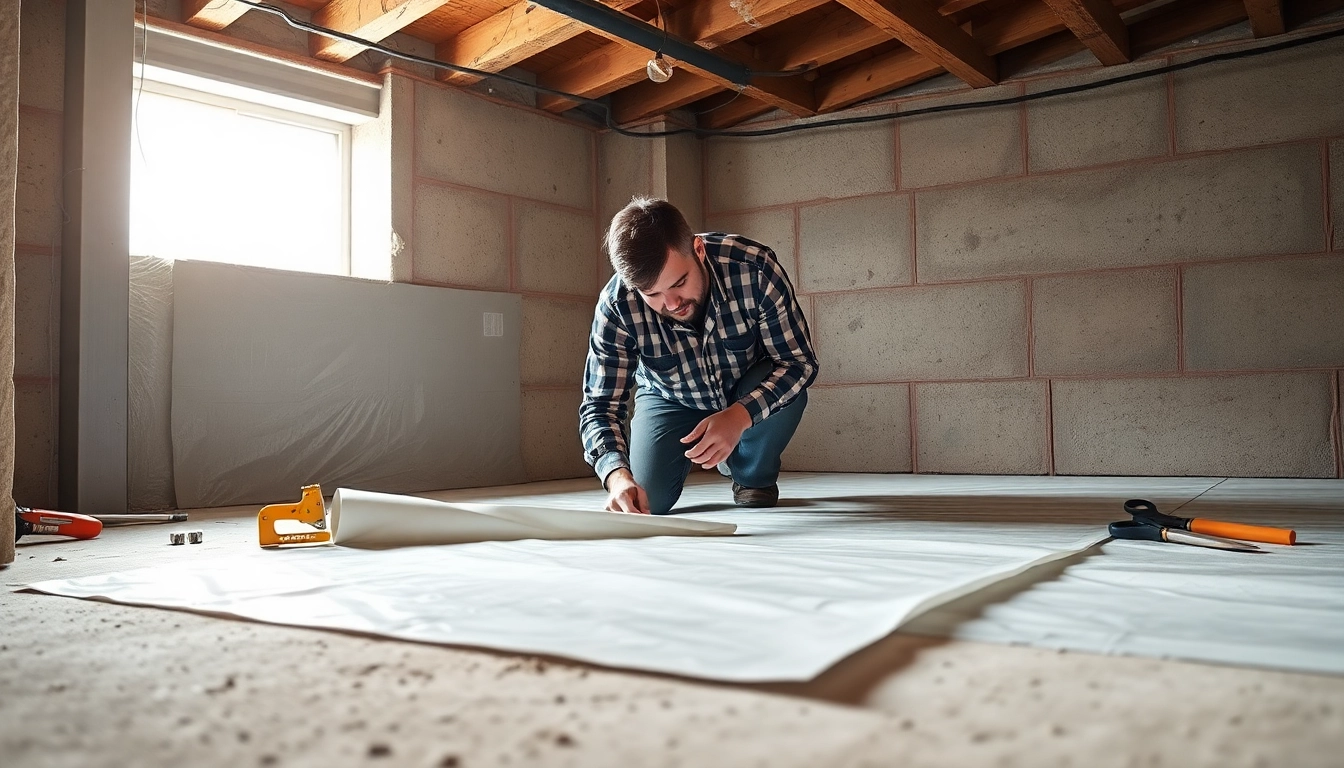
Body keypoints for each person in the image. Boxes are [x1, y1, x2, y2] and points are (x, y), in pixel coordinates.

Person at [579, 197, 818, 515]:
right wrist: (617, 477)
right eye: (652, 294)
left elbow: (798, 363)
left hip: (745, 389)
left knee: (789, 396)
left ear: (699, 250)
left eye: (679, 282)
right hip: (669, 397)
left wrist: (737, 417)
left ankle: (748, 475)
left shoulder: (754, 267)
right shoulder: (616, 305)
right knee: (648, 501)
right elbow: (599, 406)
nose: (671, 303)